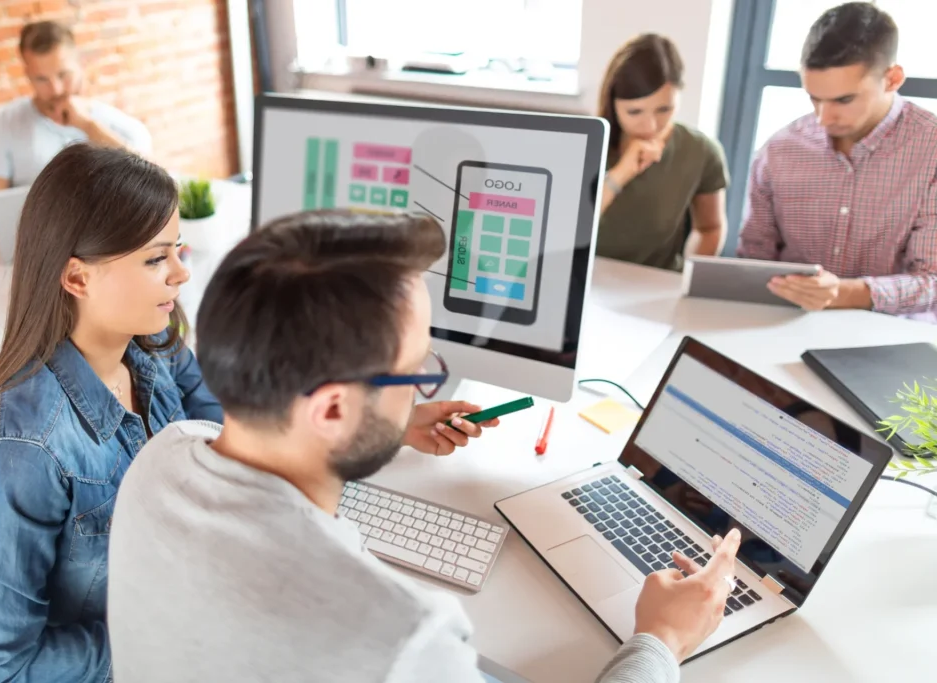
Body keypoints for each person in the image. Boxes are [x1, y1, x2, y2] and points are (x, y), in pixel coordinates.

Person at [107, 209, 742, 682]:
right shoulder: (404, 637)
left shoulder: (161, 458)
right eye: (415, 372)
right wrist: (661, 640)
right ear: (332, 410)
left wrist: (386, 424)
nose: (420, 388)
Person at [0, 146, 492, 683]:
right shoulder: (22, 446)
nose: (181, 274)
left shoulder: (153, 348)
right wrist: (176, 630)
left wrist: (385, 421)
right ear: (77, 279)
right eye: (156, 259)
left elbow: (251, 431)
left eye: (179, 250)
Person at [737, 2, 937, 320]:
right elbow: (754, 258)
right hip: (784, 324)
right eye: (814, 98)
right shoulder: (779, 149)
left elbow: (932, 282)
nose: (824, 118)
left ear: (892, 79)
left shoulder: (932, 150)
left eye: (844, 99)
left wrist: (845, 294)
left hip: (892, 333)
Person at [0, 20, 152, 234]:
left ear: (80, 63)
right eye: (41, 79)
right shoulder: (2, 124)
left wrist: (87, 126)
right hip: (37, 243)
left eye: (63, 75)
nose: (56, 89)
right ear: (27, 75)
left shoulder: (122, 126)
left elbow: (149, 184)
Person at [594, 34, 729, 271]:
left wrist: (686, 278)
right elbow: (567, 231)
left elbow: (710, 228)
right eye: (635, 112)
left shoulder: (700, 151)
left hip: (658, 282)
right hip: (587, 277)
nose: (650, 126)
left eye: (664, 109)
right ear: (612, 103)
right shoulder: (587, 142)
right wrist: (620, 174)